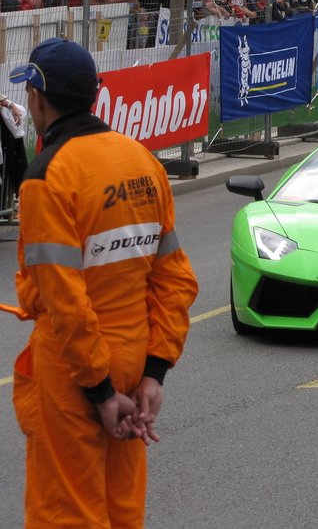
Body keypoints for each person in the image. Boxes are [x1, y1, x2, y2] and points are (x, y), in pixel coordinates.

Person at [7, 37, 199, 527]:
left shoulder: (47, 177)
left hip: (77, 366)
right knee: (121, 507)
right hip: (135, 355)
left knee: (66, 510)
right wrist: (154, 371)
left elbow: (65, 299)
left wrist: (99, 391)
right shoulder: (141, 160)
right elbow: (174, 279)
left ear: (37, 98)